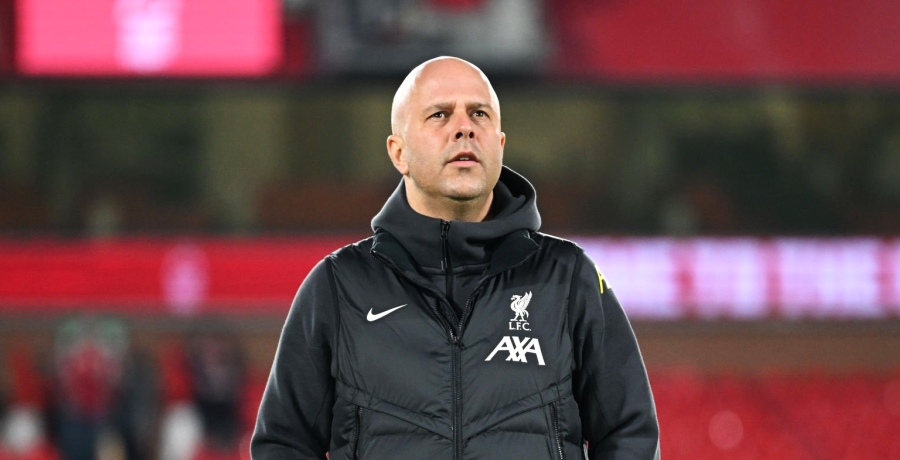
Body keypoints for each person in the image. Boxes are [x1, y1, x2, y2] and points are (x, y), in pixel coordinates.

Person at [251, 56, 659, 460]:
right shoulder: (338, 286)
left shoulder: (567, 277)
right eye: (440, 115)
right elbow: (284, 443)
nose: (464, 127)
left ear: (500, 145)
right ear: (399, 152)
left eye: (479, 114)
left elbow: (629, 433)